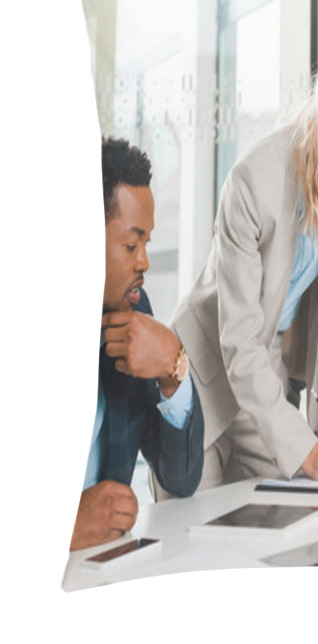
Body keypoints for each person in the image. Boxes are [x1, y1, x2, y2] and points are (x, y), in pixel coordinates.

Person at [171, 24, 318, 488]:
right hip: (204, 378)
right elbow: (238, 342)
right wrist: (308, 450)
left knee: (293, 510)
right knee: (202, 535)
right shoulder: (252, 181)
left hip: (264, 381)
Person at [70, 137, 204, 551]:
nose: (144, 261)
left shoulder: (133, 310)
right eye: (131, 245)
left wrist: (173, 368)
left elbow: (180, 480)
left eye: (147, 243)